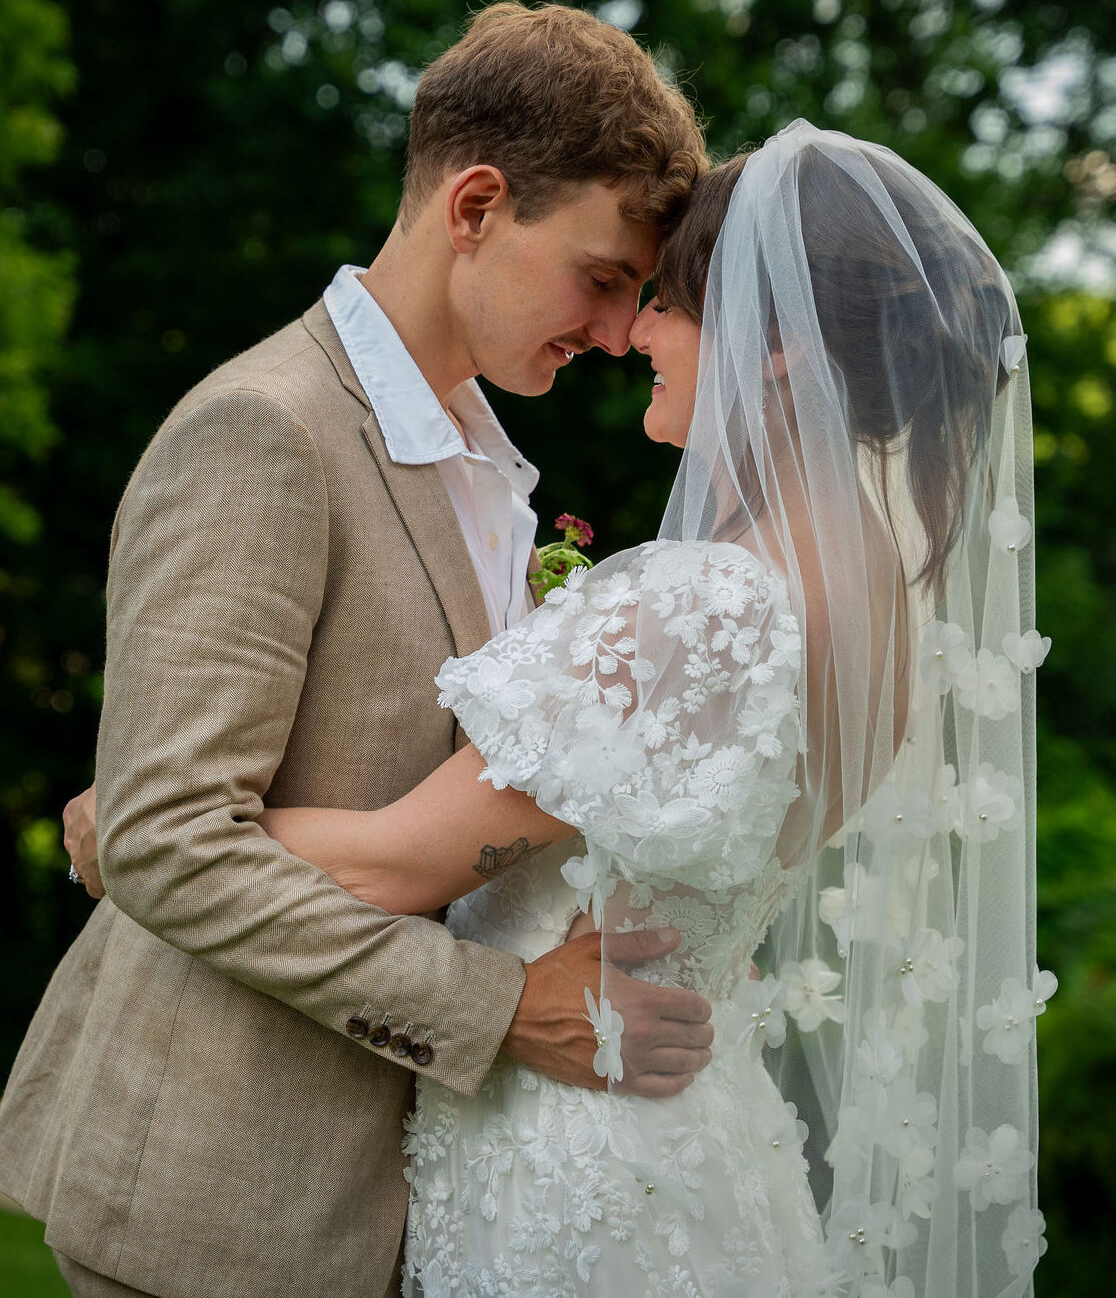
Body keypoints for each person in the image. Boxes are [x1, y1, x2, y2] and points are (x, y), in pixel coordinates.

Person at [260, 122, 1052, 1295]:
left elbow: (383, 871)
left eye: (670, 303)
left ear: (775, 347)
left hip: (574, 1151)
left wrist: (136, 829)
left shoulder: (709, 601)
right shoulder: (887, 599)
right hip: (700, 1131)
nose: (634, 334)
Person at [0, 2, 716, 1298]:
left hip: (406, 1194)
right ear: (477, 205)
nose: (617, 331)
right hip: (221, 1199)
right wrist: (501, 1008)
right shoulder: (263, 434)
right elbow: (166, 841)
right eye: (604, 276)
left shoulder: (483, 462)